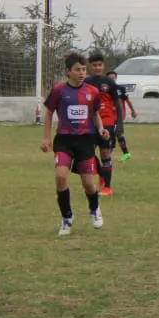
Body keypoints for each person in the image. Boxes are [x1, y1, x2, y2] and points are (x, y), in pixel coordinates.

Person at [40, 52, 107, 236]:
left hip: (85, 140)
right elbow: (48, 113)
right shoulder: (59, 91)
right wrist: (46, 138)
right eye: (78, 70)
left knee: (88, 184)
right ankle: (67, 217)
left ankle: (94, 209)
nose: (82, 73)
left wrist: (101, 128)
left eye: (84, 70)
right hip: (64, 140)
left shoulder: (92, 92)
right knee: (61, 177)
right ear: (68, 71)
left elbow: (95, 114)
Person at [85, 53, 123, 195]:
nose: (97, 67)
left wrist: (119, 124)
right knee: (86, 153)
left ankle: (107, 187)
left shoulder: (109, 82)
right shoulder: (85, 82)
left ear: (103, 66)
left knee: (105, 153)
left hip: (106, 121)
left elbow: (118, 104)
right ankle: (101, 173)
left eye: (100, 65)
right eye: (94, 65)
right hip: (89, 122)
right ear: (90, 66)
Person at [106, 70, 136, 160]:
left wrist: (133, 111)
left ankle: (109, 155)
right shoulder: (104, 89)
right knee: (118, 134)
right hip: (109, 115)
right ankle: (126, 153)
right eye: (110, 78)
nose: (112, 80)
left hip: (118, 115)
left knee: (113, 133)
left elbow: (127, 100)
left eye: (113, 78)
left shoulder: (120, 89)